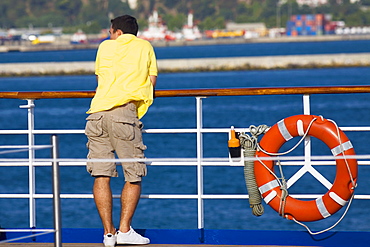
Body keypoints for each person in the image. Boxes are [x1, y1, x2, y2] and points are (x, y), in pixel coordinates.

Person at [84, 15, 157, 247]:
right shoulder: (145, 46)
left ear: (116, 32)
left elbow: (100, 80)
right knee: (133, 173)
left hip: (96, 114)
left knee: (101, 175)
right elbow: (152, 80)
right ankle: (124, 230)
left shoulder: (104, 47)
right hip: (124, 114)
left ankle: (108, 234)